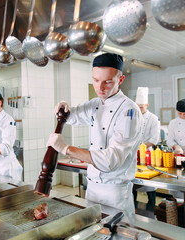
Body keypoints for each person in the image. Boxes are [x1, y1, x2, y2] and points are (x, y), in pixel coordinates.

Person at [47, 53, 142, 213]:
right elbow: (72, 116)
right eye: (96, 80)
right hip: (92, 187)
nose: (100, 87)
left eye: (107, 81)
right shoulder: (95, 104)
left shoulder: (129, 111)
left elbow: (110, 161)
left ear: (120, 80)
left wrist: (66, 149)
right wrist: (63, 107)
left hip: (115, 192)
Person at [133, 87, 160, 211]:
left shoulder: (154, 118)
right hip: (133, 153)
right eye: (137, 107)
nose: (139, 109)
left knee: (149, 184)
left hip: (148, 154)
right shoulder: (133, 117)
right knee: (133, 181)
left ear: (147, 105)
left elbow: (154, 138)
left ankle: (151, 207)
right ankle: (132, 207)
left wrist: (143, 148)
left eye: (142, 107)